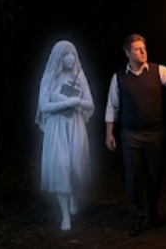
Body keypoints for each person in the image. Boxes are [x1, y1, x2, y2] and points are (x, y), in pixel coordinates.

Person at [105, 33, 166, 237]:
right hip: (130, 134)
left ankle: (151, 208)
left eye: (144, 48)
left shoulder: (158, 70)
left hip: (154, 132)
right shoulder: (119, 77)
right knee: (133, 178)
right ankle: (136, 218)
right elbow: (112, 107)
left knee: (156, 175)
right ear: (127, 53)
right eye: (137, 49)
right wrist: (109, 133)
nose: (142, 52)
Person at [35, 40, 95, 231]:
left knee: (76, 166)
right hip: (57, 126)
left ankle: (74, 196)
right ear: (59, 58)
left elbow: (90, 103)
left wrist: (76, 102)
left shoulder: (79, 76)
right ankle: (65, 216)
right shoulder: (49, 78)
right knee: (61, 166)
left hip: (75, 125)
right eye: (67, 55)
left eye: (73, 54)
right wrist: (66, 103)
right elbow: (43, 105)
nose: (71, 58)